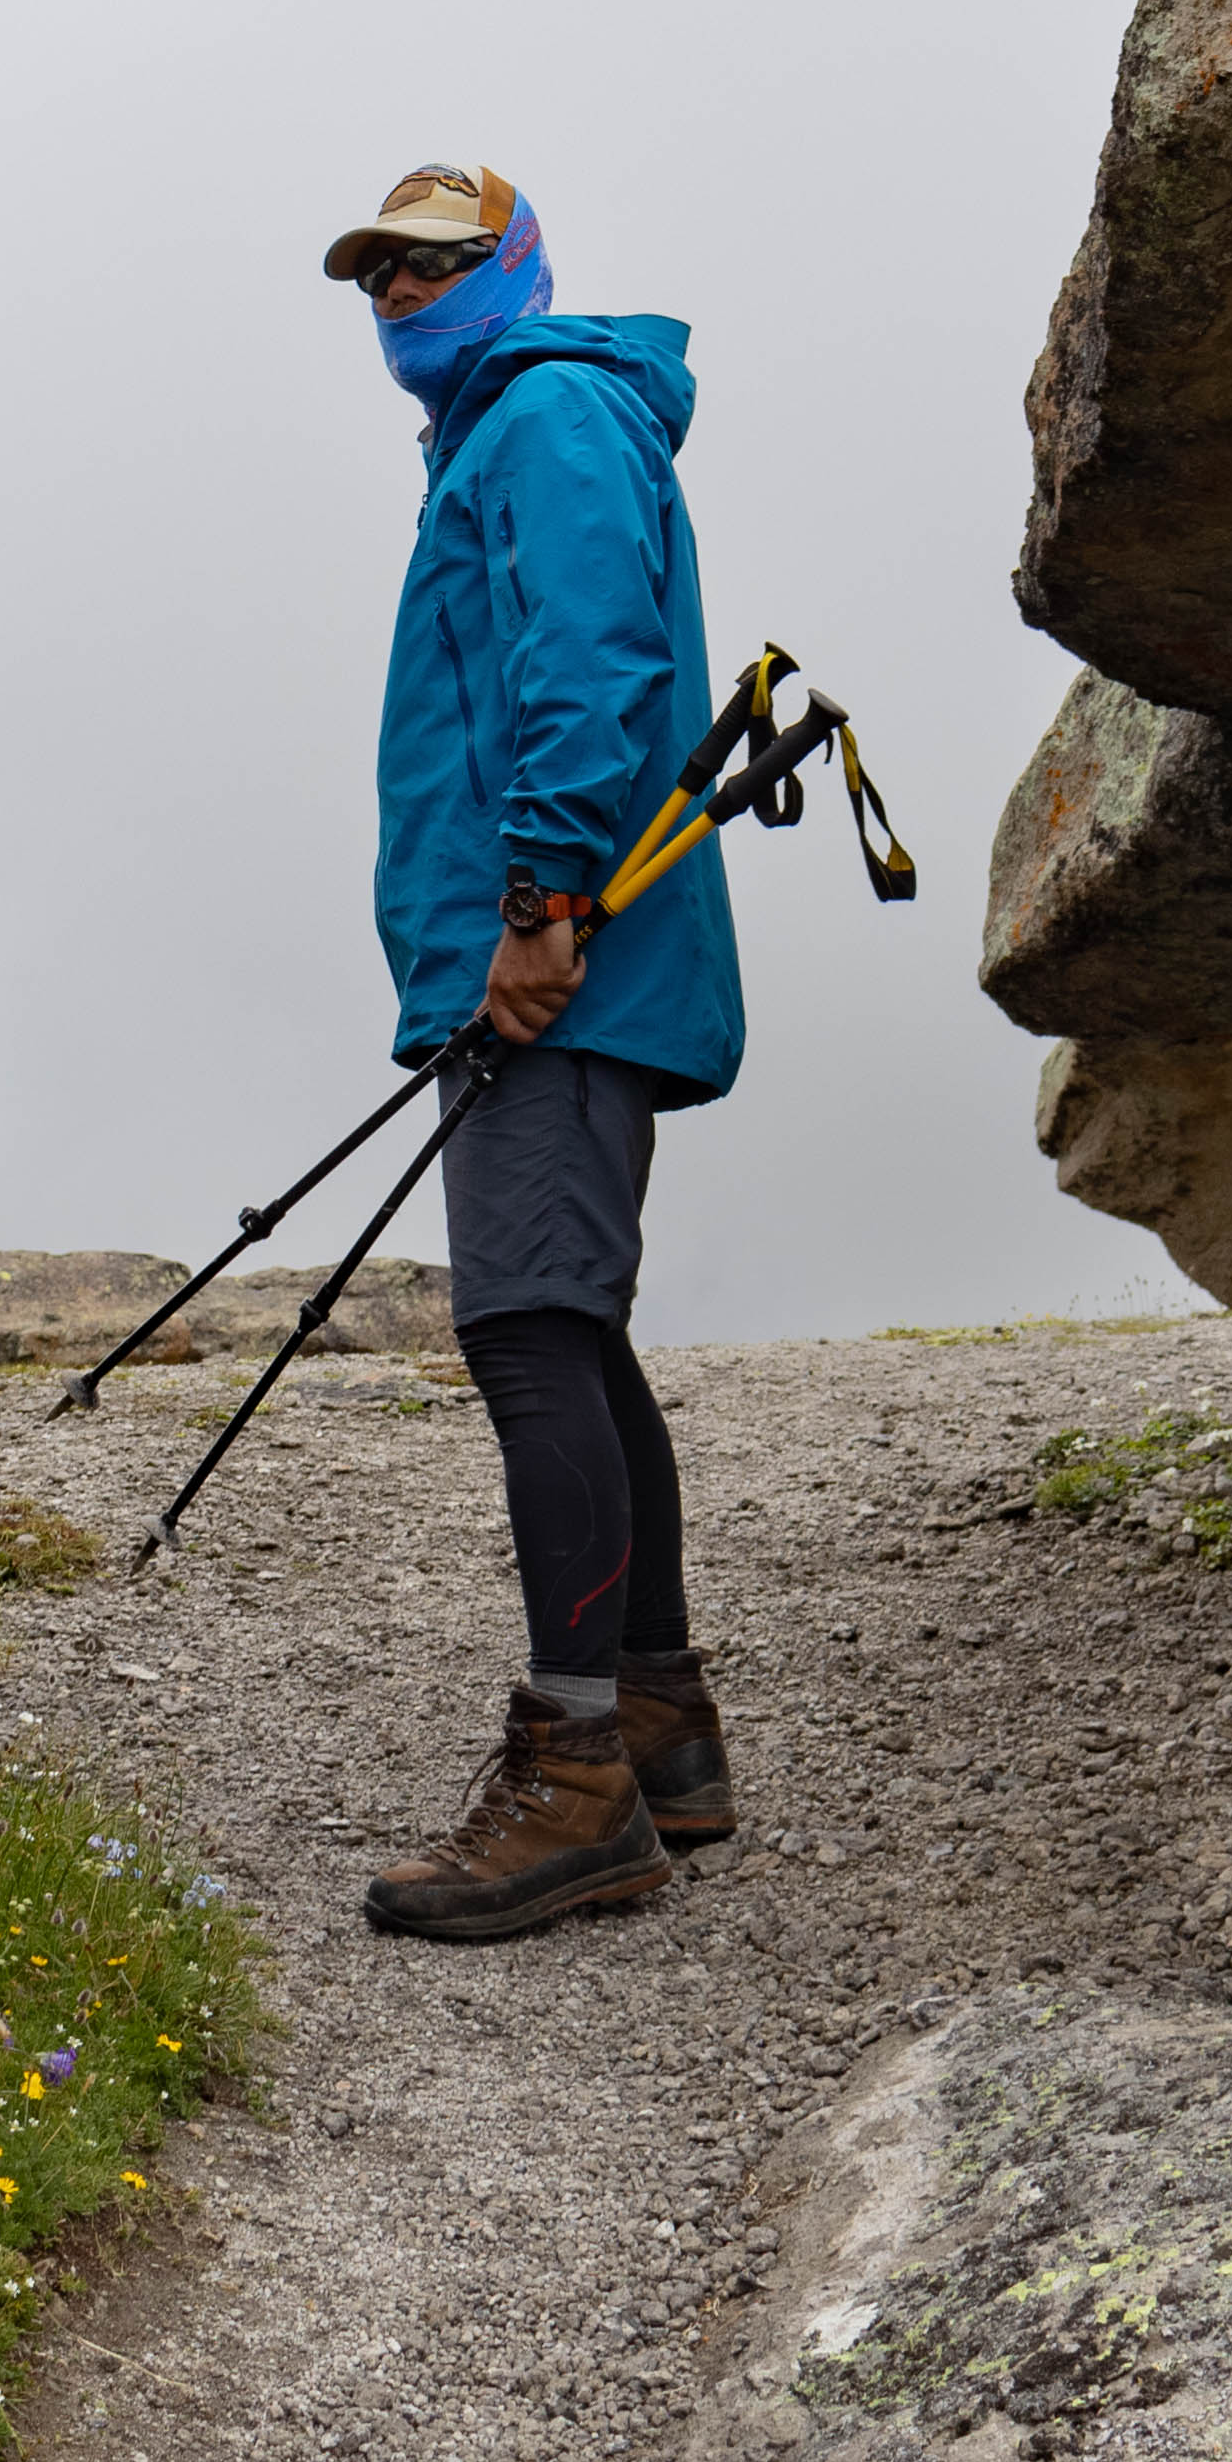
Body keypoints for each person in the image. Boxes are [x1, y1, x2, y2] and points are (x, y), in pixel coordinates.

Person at [323, 165, 745, 1943]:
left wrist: (545, 899)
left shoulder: (552, 412)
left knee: (523, 1333)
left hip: (561, 951)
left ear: (510, 262)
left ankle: (575, 1783)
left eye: (432, 262)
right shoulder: (506, 426)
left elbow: (591, 662)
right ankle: (656, 1729)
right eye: (379, 272)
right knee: (570, 1328)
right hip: (528, 950)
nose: (401, 293)